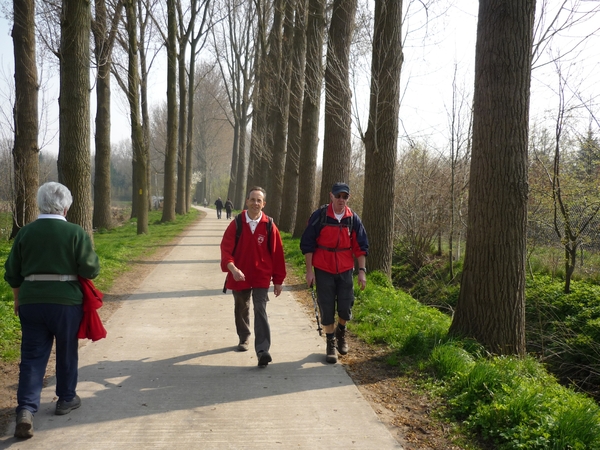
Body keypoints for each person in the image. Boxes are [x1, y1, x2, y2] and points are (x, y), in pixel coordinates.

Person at [4, 182, 101, 439]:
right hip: (66, 303)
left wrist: (18, 299)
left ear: (39, 204)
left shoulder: (25, 233)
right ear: (66, 207)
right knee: (66, 350)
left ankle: (25, 409)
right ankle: (66, 398)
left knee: (32, 357)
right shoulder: (75, 233)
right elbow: (91, 269)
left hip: (31, 301)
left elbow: (12, 272)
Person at [300, 182, 368, 364]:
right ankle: (330, 342)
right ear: (331, 196)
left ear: (348, 198)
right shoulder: (319, 216)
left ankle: (341, 331)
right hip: (323, 268)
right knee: (327, 305)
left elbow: (361, 247)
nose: (341, 200)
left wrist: (362, 271)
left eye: (344, 197)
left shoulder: (352, 219)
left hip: (345, 269)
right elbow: (307, 244)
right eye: (338, 196)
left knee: (346, 307)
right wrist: (309, 271)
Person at [220, 187, 286, 368]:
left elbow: (277, 255)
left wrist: (278, 280)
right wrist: (232, 269)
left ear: (264, 204)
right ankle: (244, 336)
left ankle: (263, 351)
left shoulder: (270, 226)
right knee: (241, 307)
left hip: (261, 276)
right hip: (239, 275)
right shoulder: (237, 224)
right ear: (247, 202)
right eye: (253, 200)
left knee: (260, 309)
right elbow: (226, 251)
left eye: (259, 201)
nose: (256, 203)